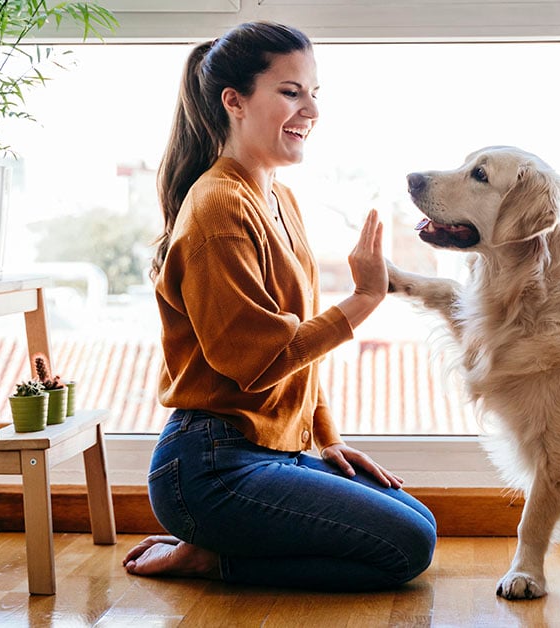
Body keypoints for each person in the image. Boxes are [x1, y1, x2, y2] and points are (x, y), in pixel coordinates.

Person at [122, 21, 437, 591]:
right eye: (291, 92)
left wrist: (326, 436)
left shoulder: (277, 196)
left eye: (314, 93)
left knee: (420, 521)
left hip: (272, 450)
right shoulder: (218, 208)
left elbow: (297, 354)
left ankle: (216, 547)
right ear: (234, 102)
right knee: (407, 547)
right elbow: (259, 361)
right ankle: (210, 557)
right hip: (209, 465)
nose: (310, 110)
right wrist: (366, 297)